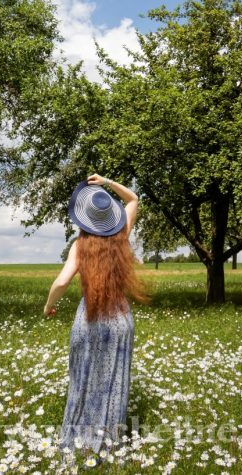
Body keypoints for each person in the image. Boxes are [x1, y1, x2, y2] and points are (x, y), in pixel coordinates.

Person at [43, 172, 151, 465]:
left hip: (89, 319)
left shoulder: (80, 246)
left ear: (83, 219)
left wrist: (48, 305)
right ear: (111, 217)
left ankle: (80, 440)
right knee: (114, 381)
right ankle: (107, 446)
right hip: (120, 320)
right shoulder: (122, 236)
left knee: (84, 379)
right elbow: (133, 198)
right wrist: (106, 182)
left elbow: (62, 282)